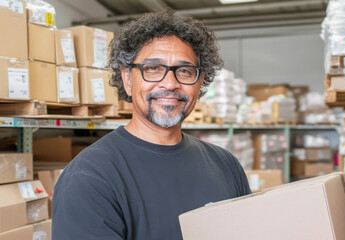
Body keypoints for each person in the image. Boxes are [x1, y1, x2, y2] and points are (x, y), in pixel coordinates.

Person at [52, 10, 251, 240]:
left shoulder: (226, 165)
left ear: (200, 83)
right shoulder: (90, 176)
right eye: (153, 69)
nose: (170, 83)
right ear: (127, 79)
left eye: (184, 71)